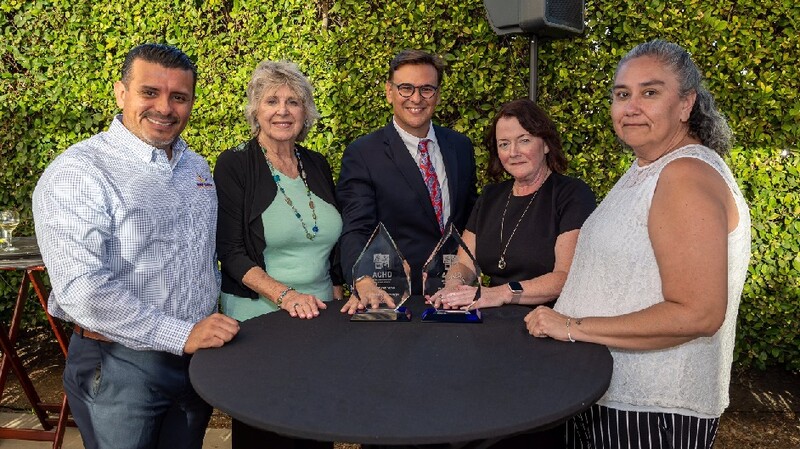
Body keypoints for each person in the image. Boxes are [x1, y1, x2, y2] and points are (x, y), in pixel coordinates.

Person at [525, 39, 751, 449]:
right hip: (612, 399)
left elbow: (697, 313)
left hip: (650, 412)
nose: (631, 107)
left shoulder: (684, 175)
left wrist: (571, 326)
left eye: (650, 92)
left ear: (686, 105)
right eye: (621, 94)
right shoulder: (648, 168)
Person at [32, 43, 240, 449]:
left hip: (193, 363)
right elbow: (83, 291)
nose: (165, 107)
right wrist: (181, 334)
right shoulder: (80, 172)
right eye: (150, 92)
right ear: (120, 92)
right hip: (118, 367)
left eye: (179, 97)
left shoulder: (195, 167)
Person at [214, 60, 340, 448]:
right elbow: (230, 251)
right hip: (261, 318)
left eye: (293, 101)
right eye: (272, 101)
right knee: (267, 431)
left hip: (317, 317)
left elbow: (331, 245)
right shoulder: (235, 164)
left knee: (316, 424)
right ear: (255, 110)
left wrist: (335, 300)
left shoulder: (316, 163)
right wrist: (286, 296)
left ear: (306, 112)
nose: (282, 111)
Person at [337, 49, 478, 313]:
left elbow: (472, 221)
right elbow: (356, 228)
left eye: (427, 89)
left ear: (437, 93)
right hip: (393, 300)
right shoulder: (363, 154)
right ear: (389, 91)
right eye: (405, 88)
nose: (416, 98)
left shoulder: (460, 147)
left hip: (455, 298)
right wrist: (362, 281)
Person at [430, 98, 595, 314]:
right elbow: (464, 264)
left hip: (548, 321)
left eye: (524, 140)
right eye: (504, 144)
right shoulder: (490, 196)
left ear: (545, 144)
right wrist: (453, 289)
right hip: (491, 318)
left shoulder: (572, 194)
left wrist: (501, 293)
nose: (513, 152)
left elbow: (563, 278)